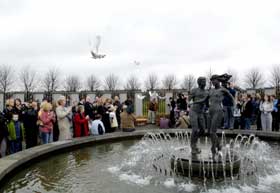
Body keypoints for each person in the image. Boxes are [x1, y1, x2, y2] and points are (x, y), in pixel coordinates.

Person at [208, 75, 235, 155]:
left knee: (212, 131)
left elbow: (232, 97)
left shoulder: (223, 90)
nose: (212, 82)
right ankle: (218, 145)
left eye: (214, 80)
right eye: (211, 81)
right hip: (210, 111)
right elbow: (206, 99)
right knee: (210, 132)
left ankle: (214, 147)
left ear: (218, 80)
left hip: (218, 111)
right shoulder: (211, 90)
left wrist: (234, 105)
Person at [189, 77, 208, 154]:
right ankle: (193, 146)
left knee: (203, 130)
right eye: (203, 81)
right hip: (193, 111)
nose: (205, 83)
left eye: (205, 81)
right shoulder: (194, 90)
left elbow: (207, 104)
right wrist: (189, 102)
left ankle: (195, 142)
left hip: (201, 113)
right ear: (199, 82)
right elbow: (189, 99)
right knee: (195, 129)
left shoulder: (207, 92)